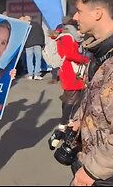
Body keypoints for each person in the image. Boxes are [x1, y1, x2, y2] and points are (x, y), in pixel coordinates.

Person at [67, 0, 113, 186]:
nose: (75, 17)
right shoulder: (102, 54)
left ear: (98, 13)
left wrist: (91, 172)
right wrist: (80, 123)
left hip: (106, 176)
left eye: (79, 11)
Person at [47, 19, 89, 149]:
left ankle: (66, 120)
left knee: (69, 96)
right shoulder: (67, 37)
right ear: (73, 28)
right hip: (71, 71)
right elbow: (70, 54)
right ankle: (63, 124)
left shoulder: (64, 35)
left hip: (68, 70)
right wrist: (84, 59)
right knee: (72, 97)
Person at [22, 15, 45, 80]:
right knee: (38, 59)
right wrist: (42, 43)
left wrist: (24, 45)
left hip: (28, 44)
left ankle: (30, 74)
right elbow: (42, 34)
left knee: (29, 59)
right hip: (38, 44)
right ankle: (36, 74)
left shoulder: (26, 25)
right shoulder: (37, 25)